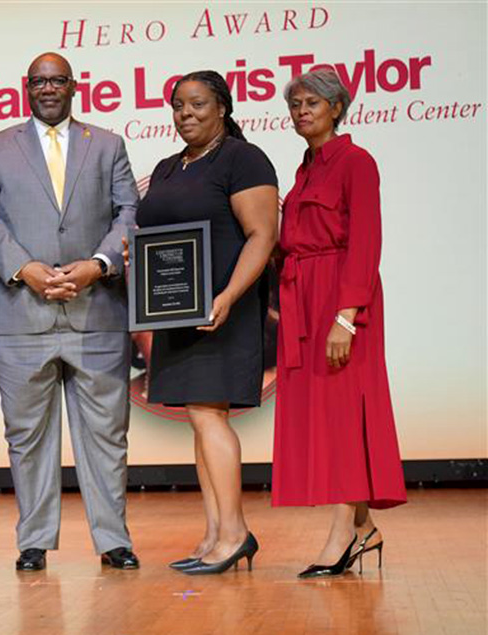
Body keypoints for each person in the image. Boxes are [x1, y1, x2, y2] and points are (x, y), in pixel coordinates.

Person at [0, 52, 139, 572]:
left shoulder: (107, 144)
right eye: (39, 81)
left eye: (57, 80)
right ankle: (34, 542)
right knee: (27, 437)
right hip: (21, 312)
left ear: (73, 86)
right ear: (26, 88)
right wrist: (25, 268)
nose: (48, 88)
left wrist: (98, 263)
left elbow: (128, 211)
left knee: (107, 434)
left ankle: (113, 540)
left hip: (97, 310)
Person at [133, 70, 279, 575]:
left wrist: (229, 296)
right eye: (178, 105)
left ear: (222, 107)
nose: (186, 113)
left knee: (208, 415)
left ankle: (236, 532)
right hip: (177, 313)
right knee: (199, 418)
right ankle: (215, 532)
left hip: (224, 311)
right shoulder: (169, 166)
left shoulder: (243, 158)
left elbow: (261, 234)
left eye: (197, 104)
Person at [272, 68, 407, 578]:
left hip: (341, 300)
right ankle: (365, 530)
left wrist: (345, 317)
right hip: (303, 295)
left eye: (312, 102)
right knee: (328, 418)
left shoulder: (356, 162)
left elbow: (366, 243)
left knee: (347, 416)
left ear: (336, 108)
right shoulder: (304, 168)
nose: (302, 111)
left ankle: (341, 535)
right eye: (295, 104)